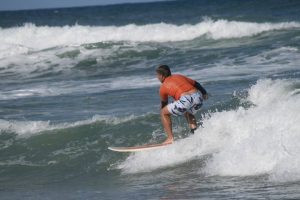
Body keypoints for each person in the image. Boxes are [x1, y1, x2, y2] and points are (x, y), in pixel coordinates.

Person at [156, 65, 208, 144]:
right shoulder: (179, 76)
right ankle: (195, 134)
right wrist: (204, 93)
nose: (157, 77)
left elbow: (164, 104)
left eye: (157, 75)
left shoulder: (163, 87)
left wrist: (164, 117)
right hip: (198, 97)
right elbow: (196, 83)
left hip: (185, 99)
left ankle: (170, 138)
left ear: (161, 76)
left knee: (163, 112)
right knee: (188, 112)